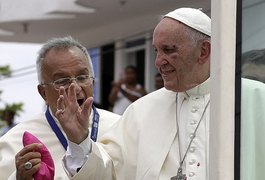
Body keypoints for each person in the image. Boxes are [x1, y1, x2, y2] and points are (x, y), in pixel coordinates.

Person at [56, 8, 265, 180]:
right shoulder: (142, 110)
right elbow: (109, 173)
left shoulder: (256, 98)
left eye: (168, 50)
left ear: (204, 51)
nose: (158, 62)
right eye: (156, 51)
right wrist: (80, 141)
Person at [0, 36, 121, 179]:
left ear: (93, 82)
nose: (75, 88)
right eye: (62, 81)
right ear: (43, 93)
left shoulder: (120, 127)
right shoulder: (14, 141)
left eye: (82, 77)